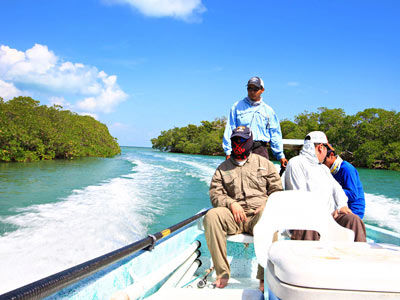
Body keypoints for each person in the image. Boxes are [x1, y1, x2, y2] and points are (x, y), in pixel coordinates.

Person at [204, 126, 282, 289]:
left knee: (270, 216)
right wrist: (231, 203)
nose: (238, 143)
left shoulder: (265, 164)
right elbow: (215, 194)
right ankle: (222, 273)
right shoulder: (222, 168)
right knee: (212, 216)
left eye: (242, 140)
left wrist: (265, 205)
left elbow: (277, 192)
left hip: (257, 216)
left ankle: (263, 276)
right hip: (234, 217)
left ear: (250, 141)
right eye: (235, 140)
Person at [284, 131, 366, 241]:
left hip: (329, 217)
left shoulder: (323, 169)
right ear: (320, 148)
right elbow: (300, 196)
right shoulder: (296, 163)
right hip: (305, 217)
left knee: (353, 220)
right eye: (326, 149)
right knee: (309, 223)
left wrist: (341, 206)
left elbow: (337, 190)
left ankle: (357, 255)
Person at [222, 76, 288, 169]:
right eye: (249, 88)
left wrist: (281, 156)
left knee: (261, 179)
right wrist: (228, 152)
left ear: (262, 90)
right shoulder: (237, 106)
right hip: (240, 147)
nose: (252, 91)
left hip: (260, 149)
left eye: (255, 89)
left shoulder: (268, 111)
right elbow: (230, 128)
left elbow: (275, 134)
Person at [323, 149, 366, 219]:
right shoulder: (330, 170)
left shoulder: (347, 169)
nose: (322, 163)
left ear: (331, 155)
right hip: (339, 207)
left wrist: (331, 191)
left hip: (353, 211)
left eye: (323, 161)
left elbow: (353, 194)